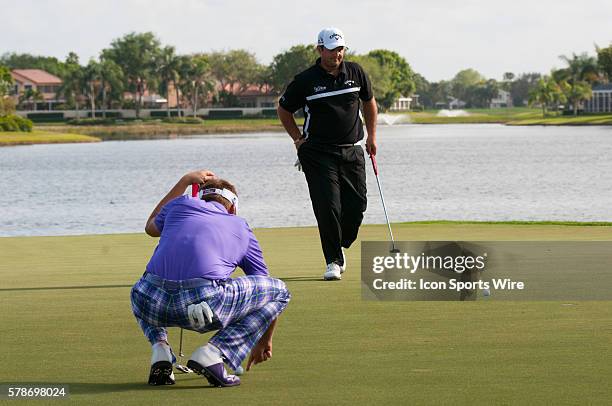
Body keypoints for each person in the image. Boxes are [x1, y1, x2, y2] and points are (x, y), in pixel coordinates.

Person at [130, 170, 291, 387]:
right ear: (233, 207)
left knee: (142, 290)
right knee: (280, 291)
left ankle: (160, 350)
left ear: (201, 197)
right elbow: (264, 289)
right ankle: (214, 353)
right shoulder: (240, 225)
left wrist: (185, 181)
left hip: (149, 301)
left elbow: (151, 226)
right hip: (204, 304)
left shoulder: (180, 204)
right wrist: (263, 338)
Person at [277, 27, 378, 281]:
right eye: (332, 50)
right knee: (328, 206)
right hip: (318, 153)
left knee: (357, 205)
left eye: (341, 49)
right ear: (320, 49)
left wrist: (373, 137)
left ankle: (341, 244)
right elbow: (283, 109)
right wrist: (297, 140)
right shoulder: (305, 80)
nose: (337, 55)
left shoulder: (356, 72)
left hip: (352, 149)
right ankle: (332, 259)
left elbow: (369, 103)